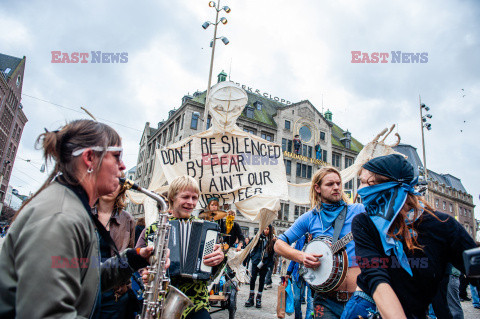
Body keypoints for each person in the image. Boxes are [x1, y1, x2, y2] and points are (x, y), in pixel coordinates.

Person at [0, 120, 154, 318]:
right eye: (116, 156)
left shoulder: (71, 209)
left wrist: (134, 257)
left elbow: (86, 277)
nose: (123, 166)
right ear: (89, 158)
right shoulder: (60, 217)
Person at [341, 154, 479, 319]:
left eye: (368, 183)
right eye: (360, 182)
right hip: (368, 308)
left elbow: (476, 271)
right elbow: (375, 275)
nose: (360, 190)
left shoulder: (443, 225)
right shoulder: (364, 222)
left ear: (394, 185)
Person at [274, 166, 364, 319]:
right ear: (318, 188)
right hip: (326, 301)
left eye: (338, 183)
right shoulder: (310, 217)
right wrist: (301, 256)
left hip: (358, 299)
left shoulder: (359, 210)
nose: (336, 187)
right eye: (330, 184)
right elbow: (279, 244)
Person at [137, 175, 224, 319]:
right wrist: (145, 273)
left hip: (197, 303)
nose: (190, 202)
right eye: (185, 197)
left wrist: (219, 258)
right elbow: (139, 263)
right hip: (161, 303)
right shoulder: (153, 229)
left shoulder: (207, 229)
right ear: (172, 198)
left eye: (194, 198)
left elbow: (212, 273)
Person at [93, 176, 137, 319]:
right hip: (86, 287)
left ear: (122, 188)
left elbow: (129, 254)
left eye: (117, 183)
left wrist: (125, 286)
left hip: (115, 293)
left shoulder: (128, 219)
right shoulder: (82, 212)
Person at [245, 224, 276, 308]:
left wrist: (267, 263)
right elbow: (252, 247)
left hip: (265, 264)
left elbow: (273, 253)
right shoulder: (258, 237)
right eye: (264, 229)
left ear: (270, 230)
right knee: (253, 279)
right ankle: (251, 297)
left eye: (267, 229)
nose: (266, 230)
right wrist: (253, 257)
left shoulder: (272, 240)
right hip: (256, 262)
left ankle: (259, 298)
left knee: (262, 280)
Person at [286, 233, 314, 319]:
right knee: (297, 299)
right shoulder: (301, 240)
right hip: (298, 273)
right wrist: (288, 272)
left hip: (312, 276)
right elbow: (294, 258)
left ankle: (308, 318)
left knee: (311, 301)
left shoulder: (318, 240)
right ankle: (298, 317)